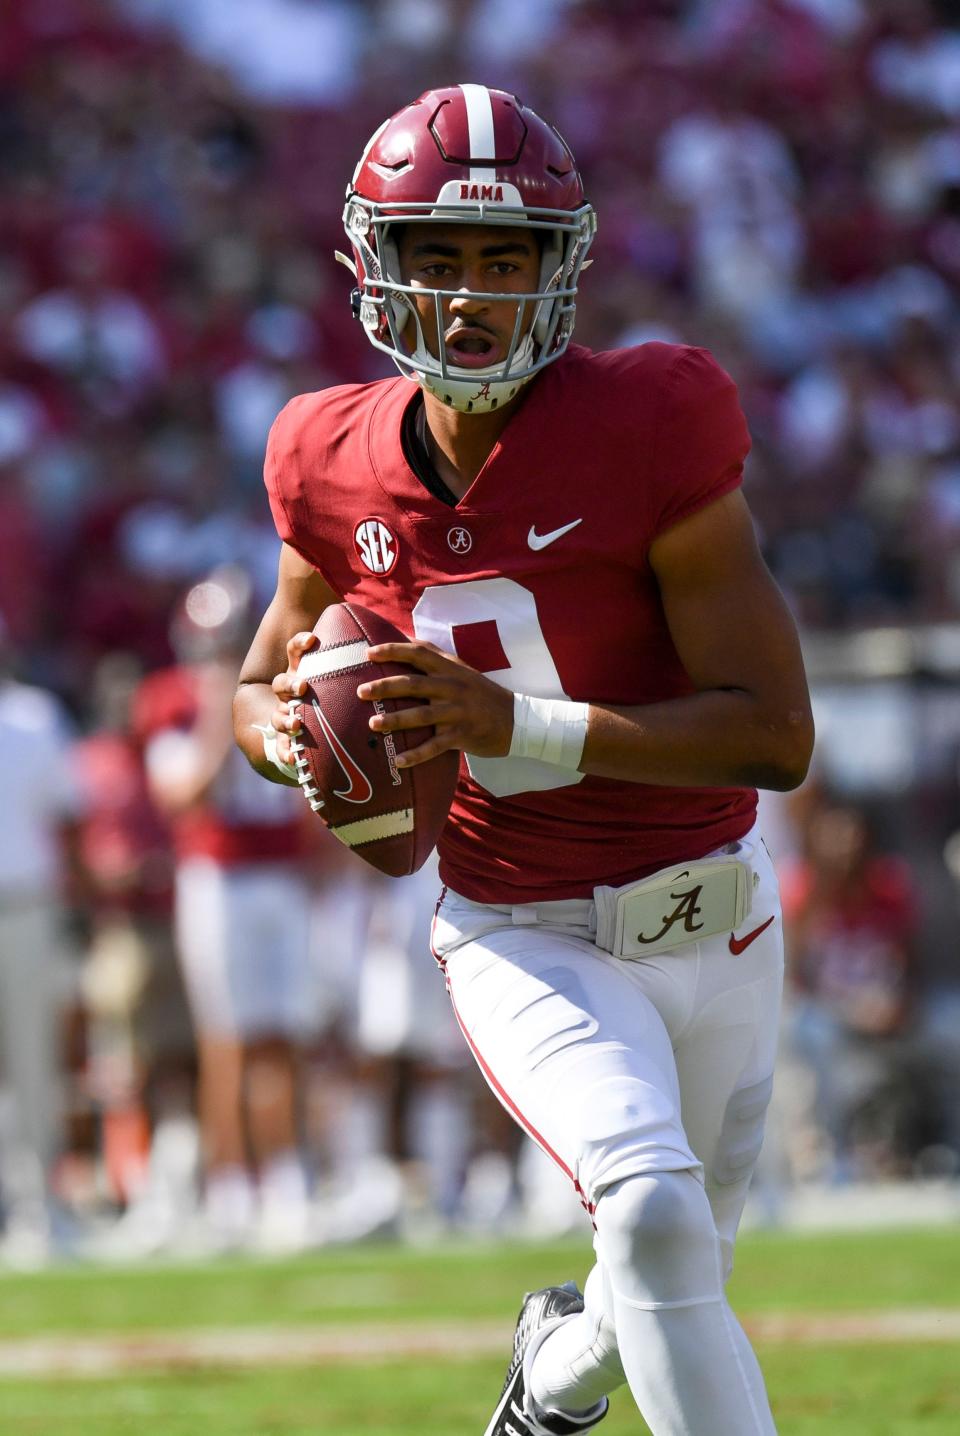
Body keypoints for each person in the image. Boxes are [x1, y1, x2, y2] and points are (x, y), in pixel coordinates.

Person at [234, 86, 814, 1436]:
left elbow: (775, 733)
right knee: (656, 1214)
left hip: (712, 909)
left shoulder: (653, 418)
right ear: (374, 261)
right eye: (437, 255)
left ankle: (547, 1387)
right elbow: (265, 680)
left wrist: (512, 726)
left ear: (563, 264)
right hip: (518, 923)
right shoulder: (322, 455)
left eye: (506, 257)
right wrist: (289, 742)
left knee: (677, 1265)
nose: (473, 293)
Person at [140, 566, 318, 1252]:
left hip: (282, 878)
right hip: (216, 879)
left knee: (285, 1034)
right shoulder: (173, 701)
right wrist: (224, 714)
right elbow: (184, 798)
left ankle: (284, 1183)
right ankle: (230, 1190)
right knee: (228, 1040)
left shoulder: (287, 683)